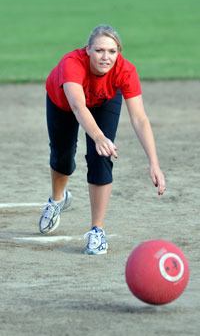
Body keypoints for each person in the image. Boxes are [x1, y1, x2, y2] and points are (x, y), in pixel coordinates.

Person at [39, 24, 166, 255]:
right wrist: (97, 136)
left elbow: (140, 119)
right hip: (64, 103)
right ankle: (57, 200)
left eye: (112, 51)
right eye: (99, 50)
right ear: (87, 50)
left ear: (118, 52)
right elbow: (78, 107)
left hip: (104, 100)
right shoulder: (72, 63)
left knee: (102, 157)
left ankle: (97, 230)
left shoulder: (125, 70)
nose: (105, 57)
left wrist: (154, 162)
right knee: (62, 155)